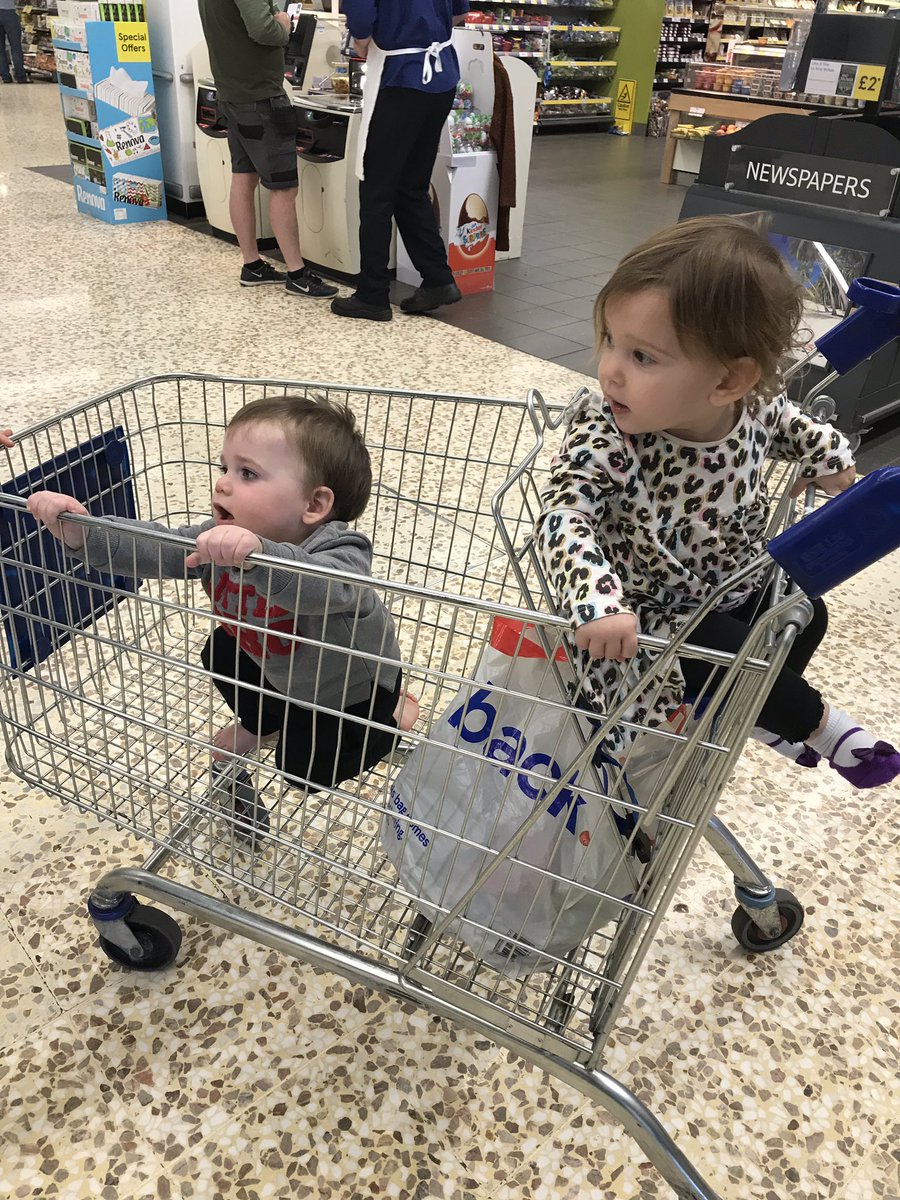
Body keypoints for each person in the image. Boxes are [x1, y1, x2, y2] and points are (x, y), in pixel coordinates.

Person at [537, 216, 900, 791]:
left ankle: (754, 712)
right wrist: (597, 598)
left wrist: (831, 457)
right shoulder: (609, 434)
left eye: (643, 357)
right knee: (724, 654)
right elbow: (563, 514)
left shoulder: (753, 407)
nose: (610, 370)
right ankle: (829, 732)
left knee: (805, 616)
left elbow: (792, 424)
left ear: (730, 382)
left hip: (730, 579)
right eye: (610, 339)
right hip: (650, 611)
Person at [27, 396, 418, 796]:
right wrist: (83, 532)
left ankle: (394, 715)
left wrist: (261, 557)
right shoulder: (219, 540)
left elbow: (337, 587)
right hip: (269, 658)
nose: (223, 482)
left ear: (314, 504)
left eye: (247, 473)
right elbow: (156, 546)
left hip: (344, 689)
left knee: (305, 773)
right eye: (224, 467)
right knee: (219, 651)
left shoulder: (340, 547)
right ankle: (262, 721)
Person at [332, 0, 469, 323]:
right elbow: (460, 13)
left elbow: (362, 25)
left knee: (376, 189)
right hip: (441, 76)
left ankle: (372, 294)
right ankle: (438, 278)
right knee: (411, 185)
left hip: (399, 77)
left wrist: (365, 36)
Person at [196, 0, 337, 298]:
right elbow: (264, 30)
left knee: (243, 177)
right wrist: (283, 23)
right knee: (283, 188)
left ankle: (252, 265)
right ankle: (297, 274)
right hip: (261, 98)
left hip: (232, 95)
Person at [0, 0, 29, 84]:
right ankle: (21, 77)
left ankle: (5, 77)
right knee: (16, 47)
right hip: (9, 12)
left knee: (0, 50)